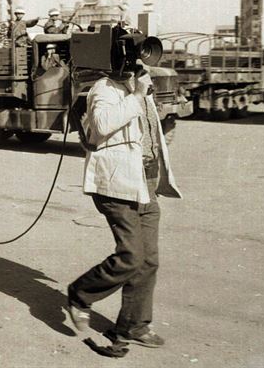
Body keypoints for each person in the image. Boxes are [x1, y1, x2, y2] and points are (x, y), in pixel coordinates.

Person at [67, 67, 181, 348]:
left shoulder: (141, 84)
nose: (141, 65)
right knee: (131, 255)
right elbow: (103, 124)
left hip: (146, 184)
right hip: (117, 185)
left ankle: (133, 326)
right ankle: (81, 293)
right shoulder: (104, 88)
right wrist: (139, 94)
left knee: (148, 260)